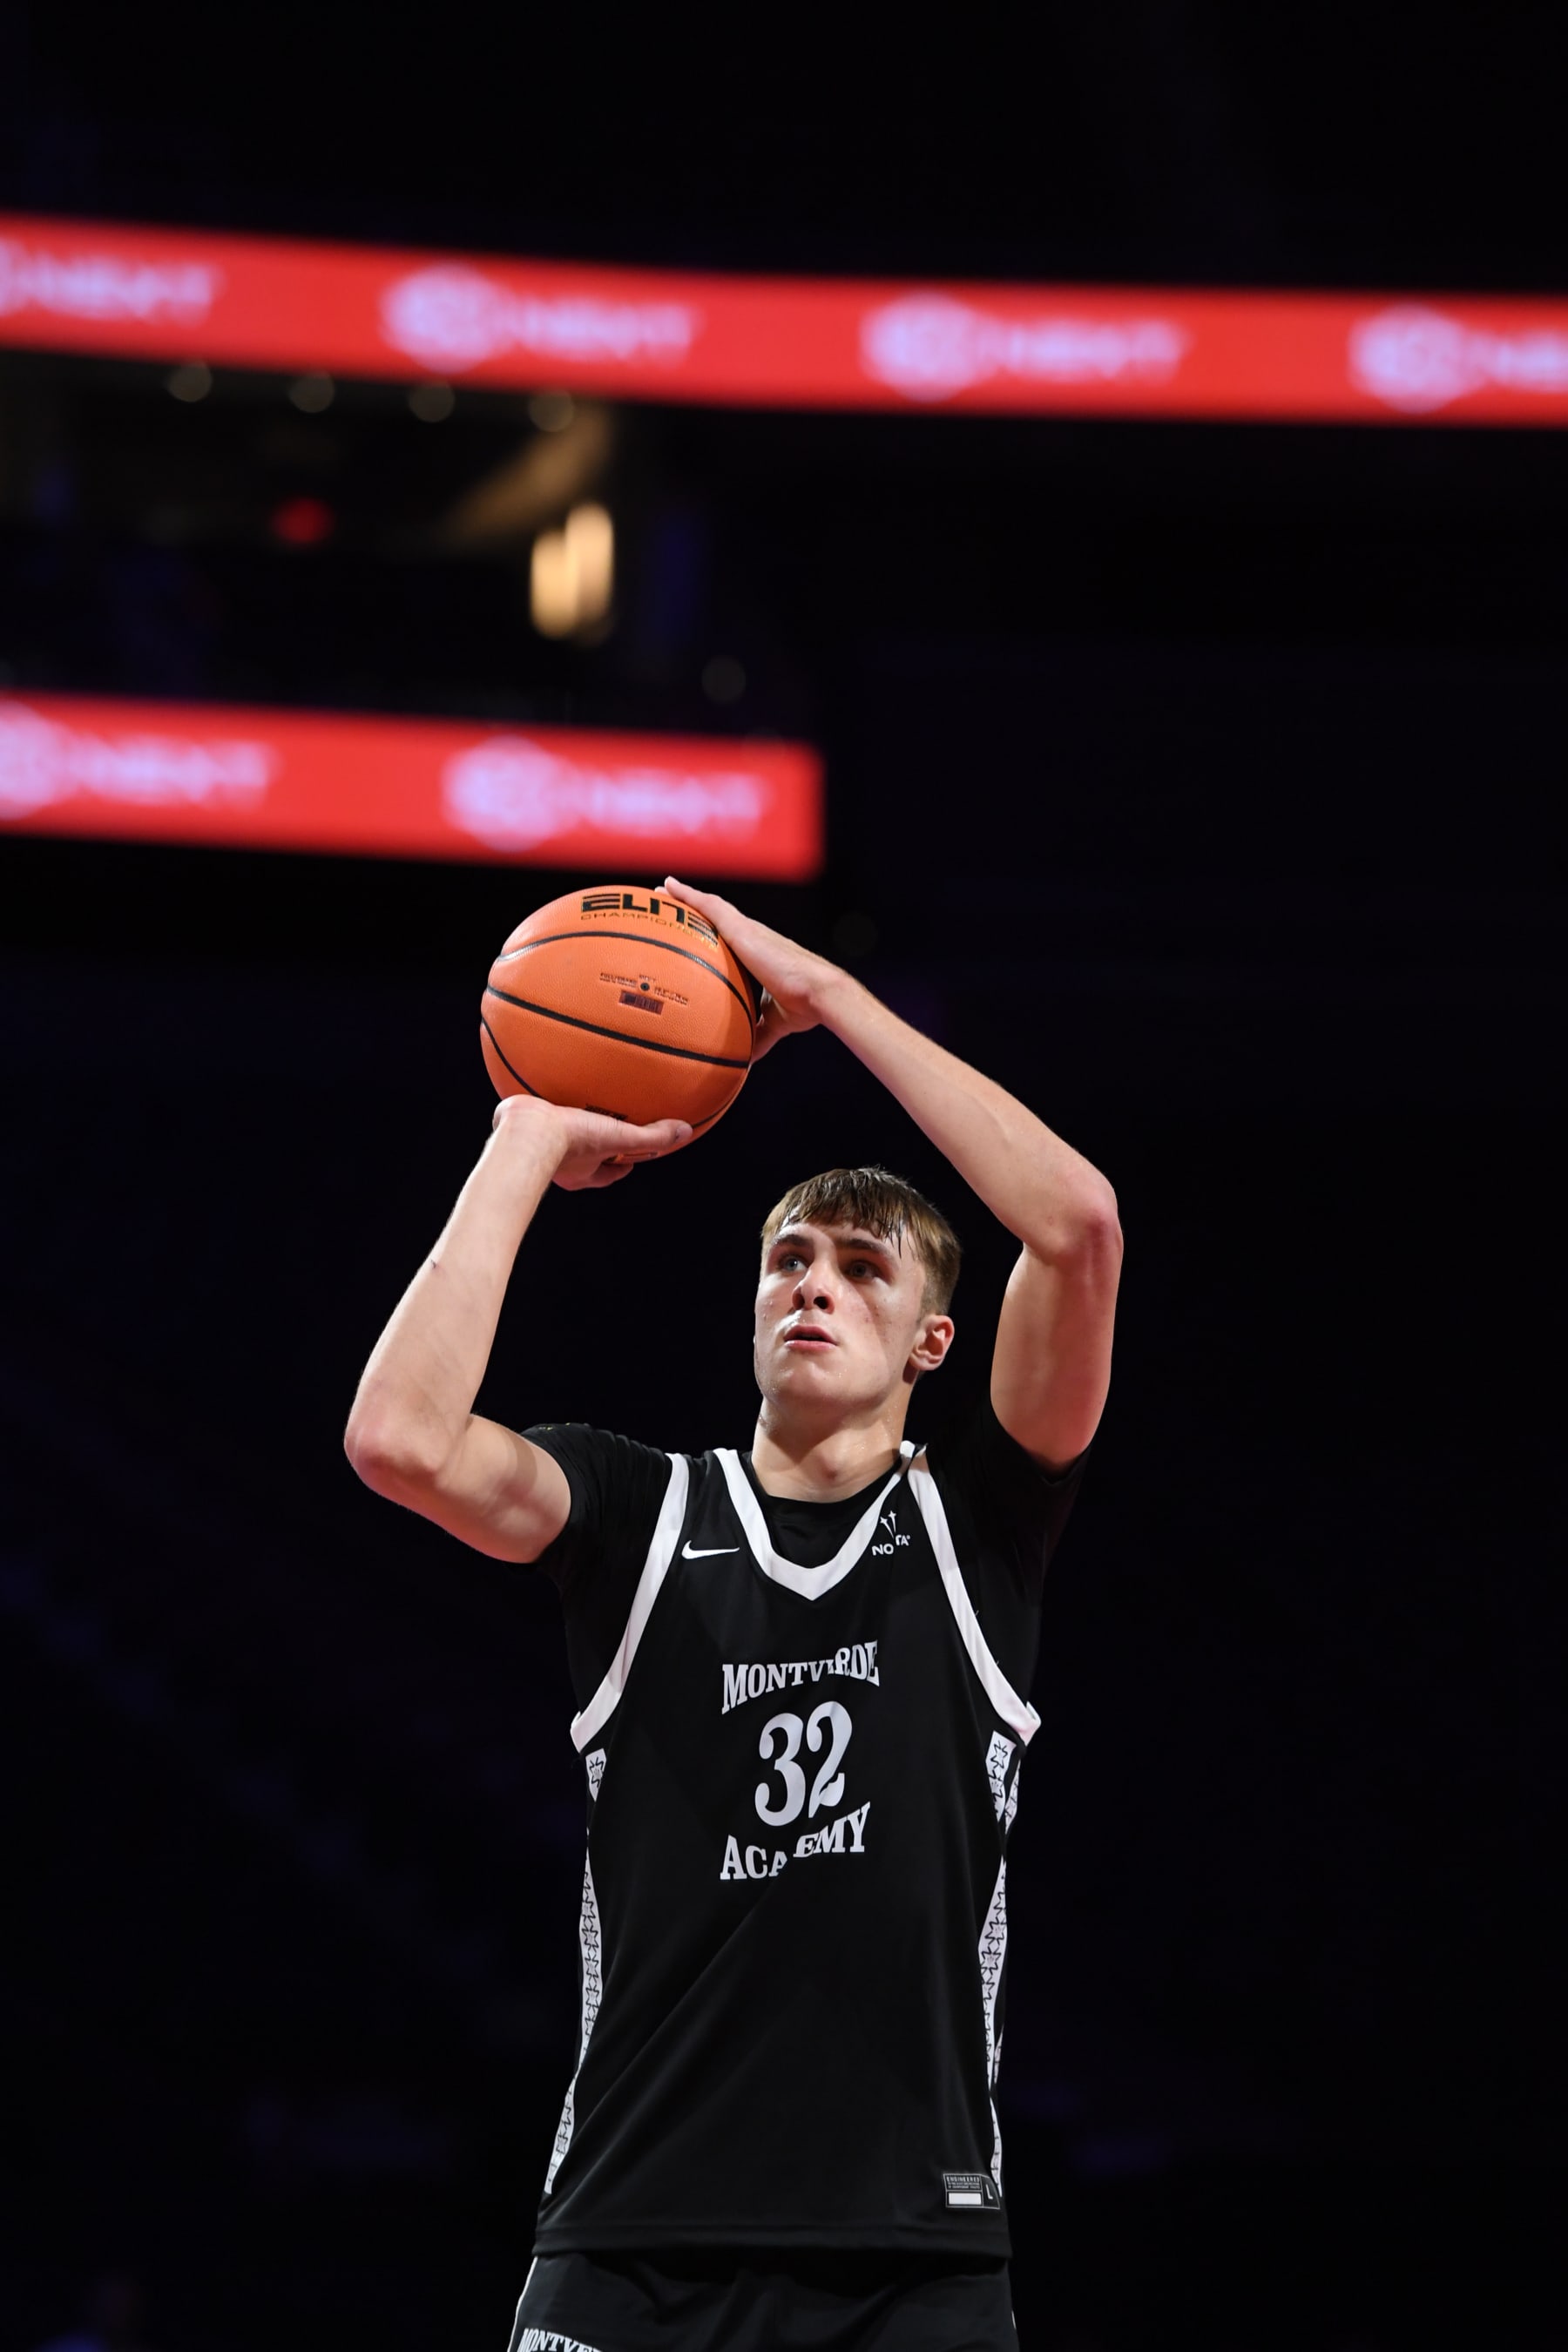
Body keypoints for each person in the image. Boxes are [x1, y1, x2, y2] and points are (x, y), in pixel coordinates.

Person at [347, 876, 1123, 2352]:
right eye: (786, 1261)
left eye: (860, 1269)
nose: (812, 1288)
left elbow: (1078, 1224)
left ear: (932, 1343)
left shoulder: (980, 1522)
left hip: (915, 2256)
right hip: (630, 2238)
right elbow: (399, 1441)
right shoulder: (638, 1514)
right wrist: (525, 1139)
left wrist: (826, 1000)